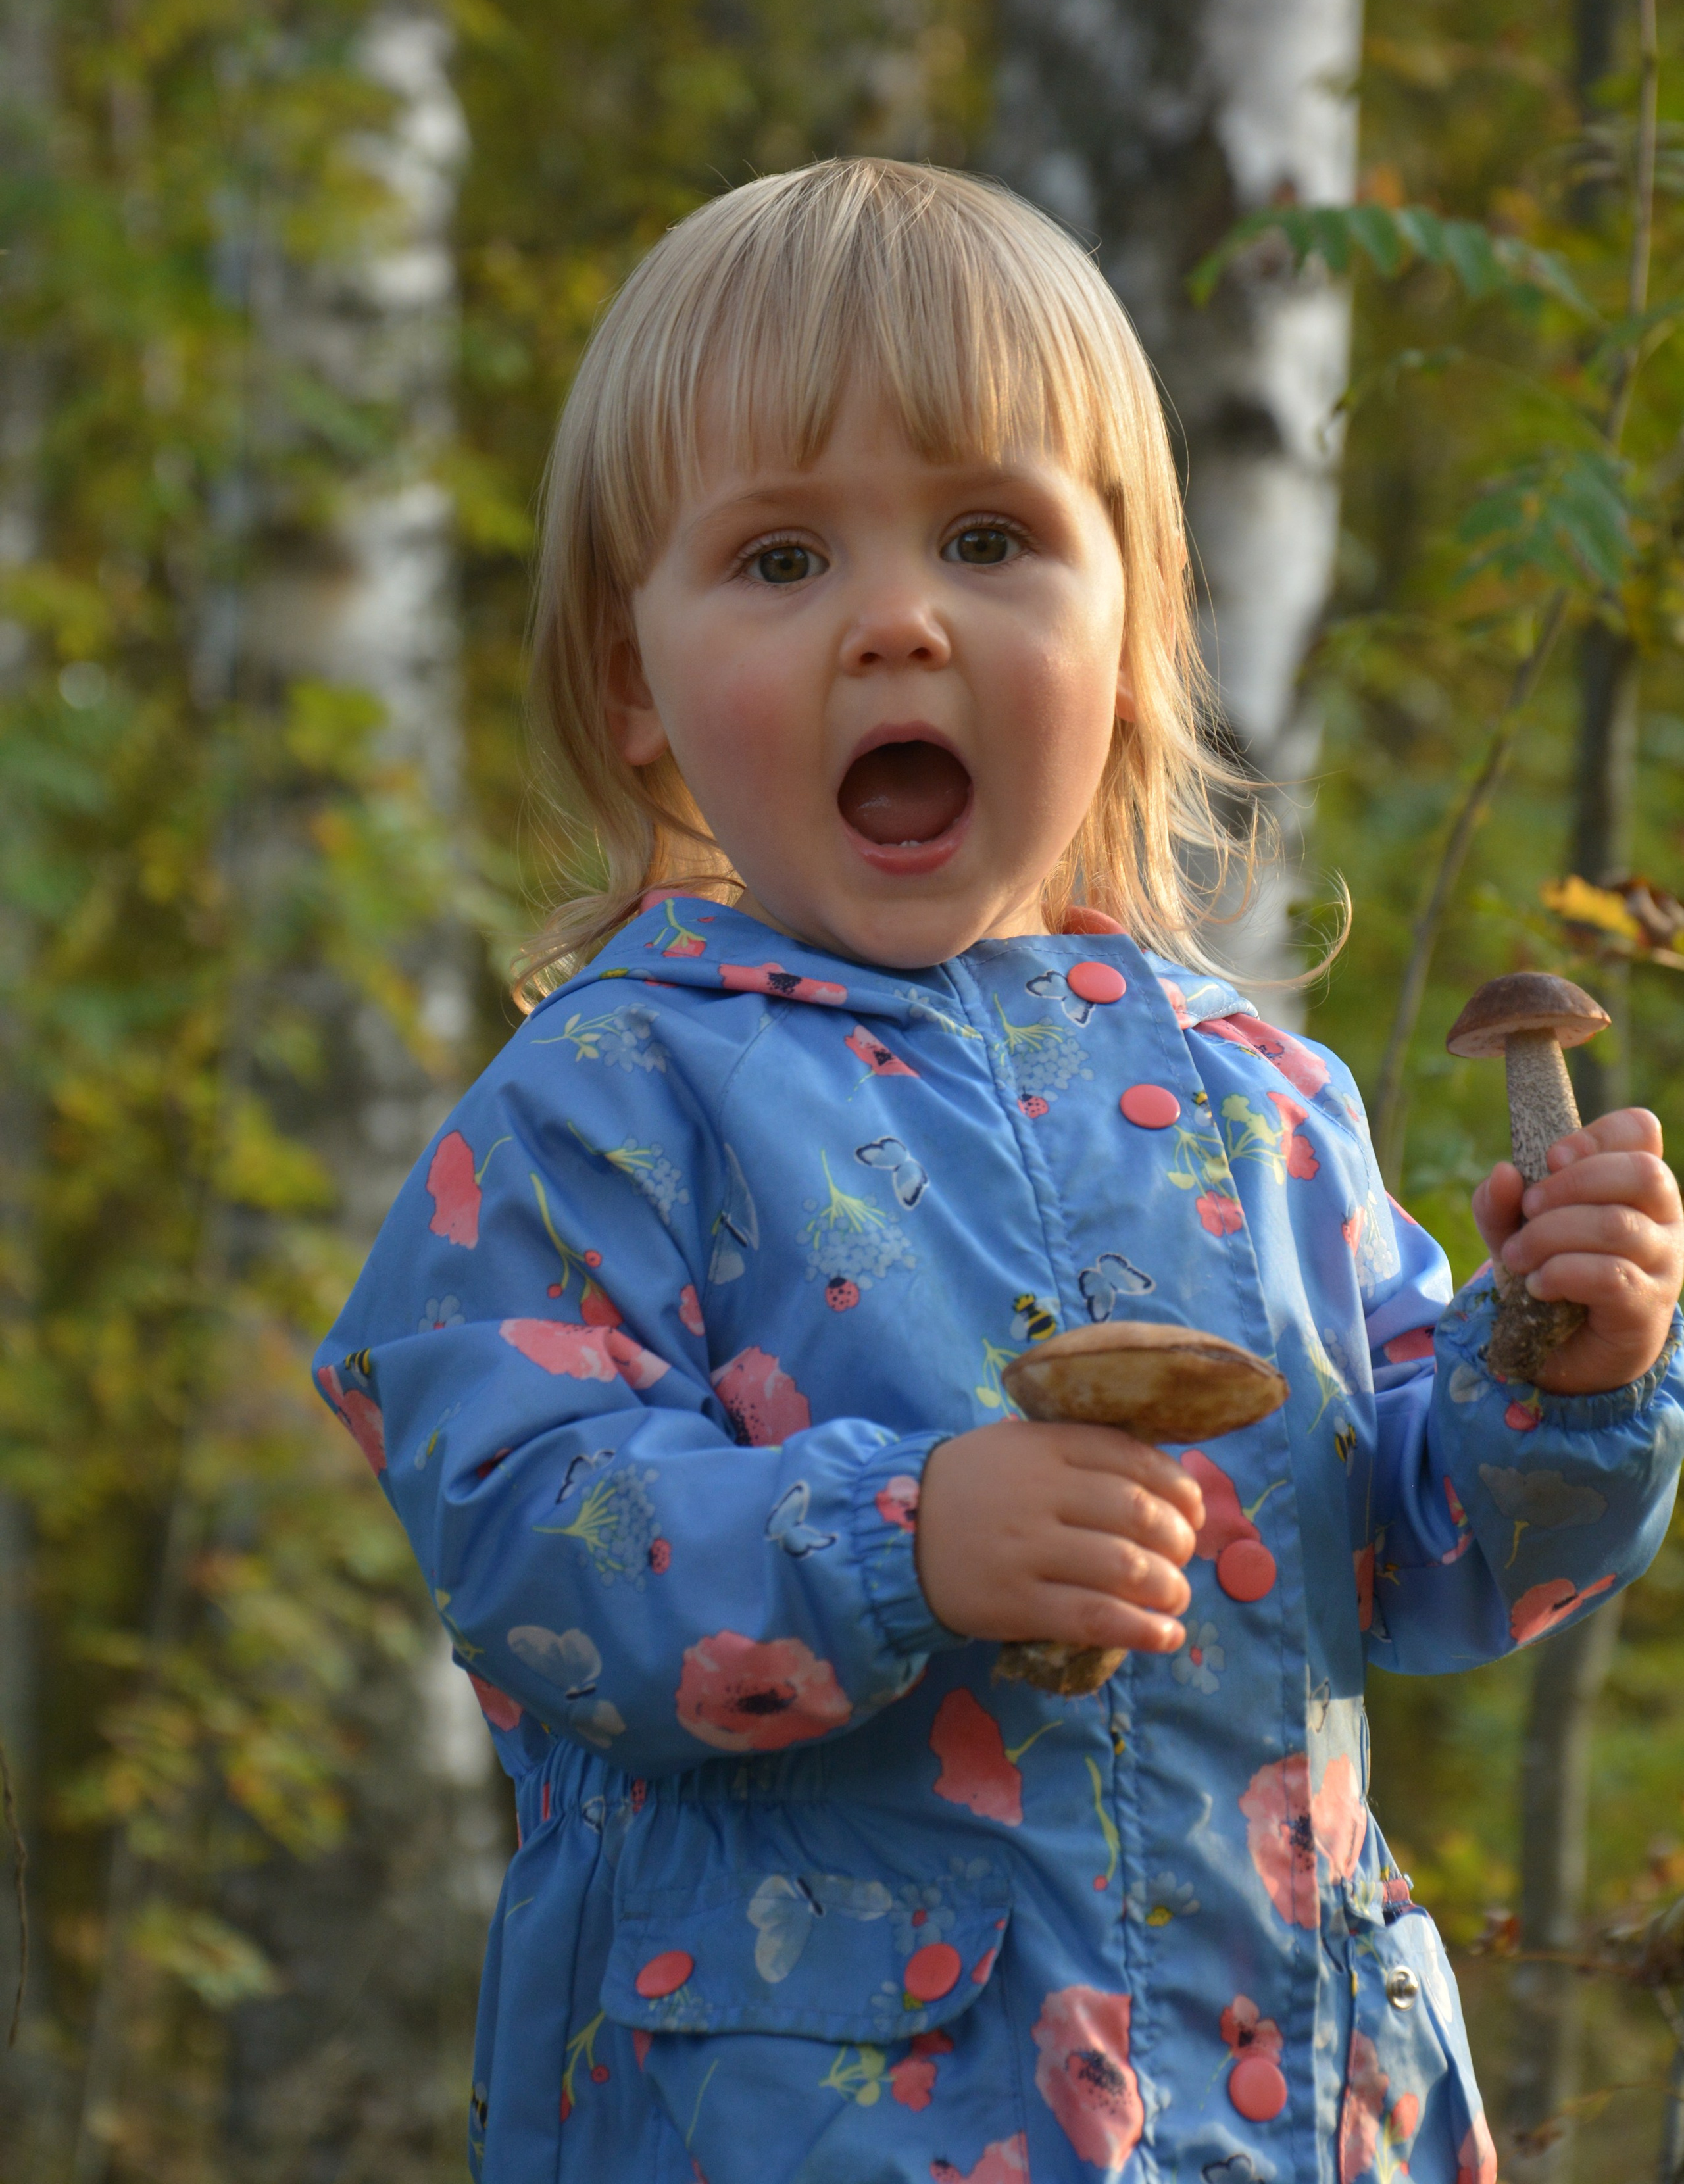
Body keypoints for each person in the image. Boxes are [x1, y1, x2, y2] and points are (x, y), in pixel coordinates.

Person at [316, 159, 1684, 2184]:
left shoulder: (1261, 1101)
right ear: (637, 686)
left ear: (1131, 625)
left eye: (987, 537)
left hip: (1291, 2106)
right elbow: (527, 1543)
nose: (897, 620)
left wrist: (1557, 1382)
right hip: (813, 2113)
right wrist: (901, 1538)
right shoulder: (610, 1097)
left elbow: (1423, 1555)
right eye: (781, 561)